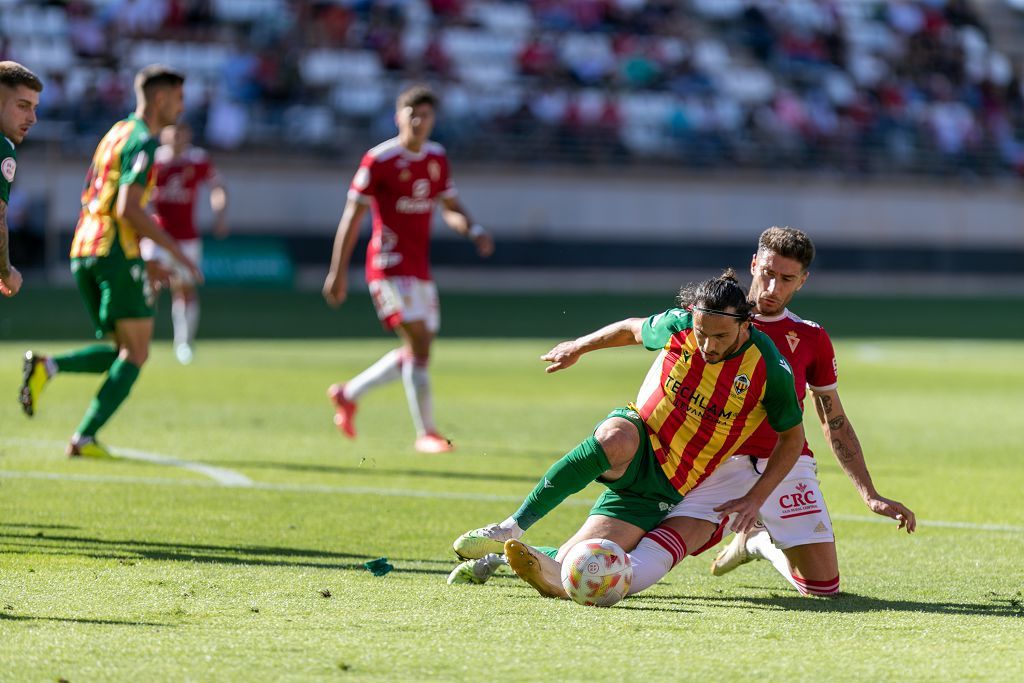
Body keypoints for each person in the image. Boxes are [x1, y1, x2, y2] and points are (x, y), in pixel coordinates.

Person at [455, 228, 916, 600]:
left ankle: (755, 539)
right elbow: (635, 329)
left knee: (824, 588)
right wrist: (579, 345)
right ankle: (514, 546)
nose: (773, 288)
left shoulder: (800, 344)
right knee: (603, 552)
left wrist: (868, 492)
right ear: (754, 265)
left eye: (787, 279)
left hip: (777, 463)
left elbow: (829, 418)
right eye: (768, 273)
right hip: (706, 461)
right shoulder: (697, 315)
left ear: (802, 282)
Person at [449, 271, 806, 594]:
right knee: (613, 440)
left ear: (745, 325)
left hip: (667, 483)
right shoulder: (677, 323)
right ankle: (510, 528)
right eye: (702, 334)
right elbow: (631, 328)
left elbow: (793, 439)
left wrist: (756, 498)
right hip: (640, 437)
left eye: (721, 336)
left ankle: (494, 559)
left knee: (580, 567)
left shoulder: (769, 367)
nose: (709, 346)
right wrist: (579, 347)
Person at [19, 65, 202, 458]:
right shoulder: (144, 141)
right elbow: (127, 209)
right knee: (137, 353)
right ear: (160, 98)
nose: (182, 107)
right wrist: (174, 251)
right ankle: (84, 438)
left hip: (84, 248)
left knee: (123, 348)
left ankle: (46, 367)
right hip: (114, 251)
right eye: (179, 99)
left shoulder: (115, 133)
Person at [322, 85, 494, 454]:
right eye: (411, 114)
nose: (418, 121)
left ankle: (349, 394)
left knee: (420, 347)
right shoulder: (379, 159)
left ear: (433, 120)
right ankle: (426, 433)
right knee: (418, 342)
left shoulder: (436, 158)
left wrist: (471, 227)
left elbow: (448, 204)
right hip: (386, 266)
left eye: (426, 115)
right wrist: (337, 271)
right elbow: (352, 216)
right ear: (399, 117)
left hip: (419, 268)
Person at [141, 121, 229, 364]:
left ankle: (184, 343)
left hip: (186, 238)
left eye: (183, 131)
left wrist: (220, 213)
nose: (178, 136)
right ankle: (138, 340)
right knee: (148, 286)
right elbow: (139, 194)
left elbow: (218, 186)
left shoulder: (197, 160)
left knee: (185, 288)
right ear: (164, 134)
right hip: (156, 236)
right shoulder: (153, 159)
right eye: (173, 131)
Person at [0, 61, 43, 297]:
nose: (32, 118)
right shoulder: (2, 147)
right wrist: (6, 272)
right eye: (23, 106)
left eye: (35, 108)